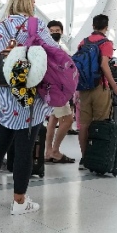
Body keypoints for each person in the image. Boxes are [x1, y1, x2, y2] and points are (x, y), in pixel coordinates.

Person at [0, 0, 60, 215]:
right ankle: (20, 201)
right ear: (28, 2)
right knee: (25, 148)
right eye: (33, 0)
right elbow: (53, 54)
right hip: (29, 99)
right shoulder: (37, 25)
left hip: (5, 98)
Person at [75, 14, 117, 169]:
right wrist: (114, 86)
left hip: (83, 88)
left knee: (84, 124)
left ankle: (85, 158)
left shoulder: (84, 42)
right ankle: (97, 158)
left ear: (93, 26)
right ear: (106, 27)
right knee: (100, 123)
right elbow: (104, 64)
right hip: (100, 87)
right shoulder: (106, 43)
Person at [44, 20, 75, 164]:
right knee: (68, 119)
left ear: (62, 31)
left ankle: (48, 151)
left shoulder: (46, 47)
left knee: (53, 119)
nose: (55, 32)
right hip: (58, 89)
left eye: (57, 30)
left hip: (50, 90)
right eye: (52, 30)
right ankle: (55, 151)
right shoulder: (58, 48)